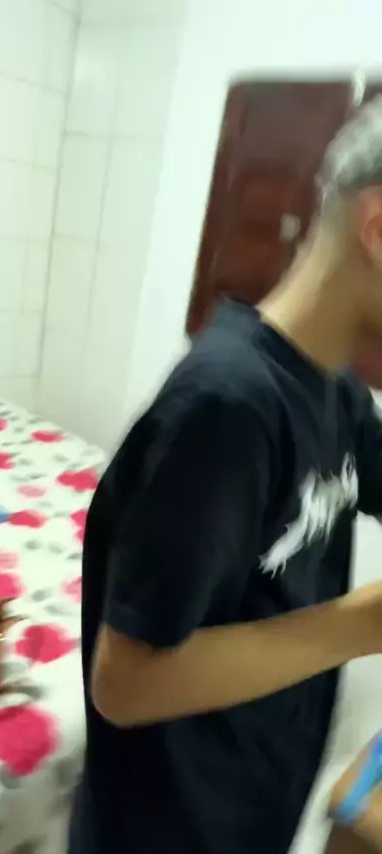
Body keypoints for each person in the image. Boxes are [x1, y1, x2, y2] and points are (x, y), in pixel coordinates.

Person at [69, 96, 382, 854]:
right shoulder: (228, 404)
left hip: (251, 805)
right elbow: (125, 683)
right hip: (164, 830)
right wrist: (362, 624)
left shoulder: (338, 395)